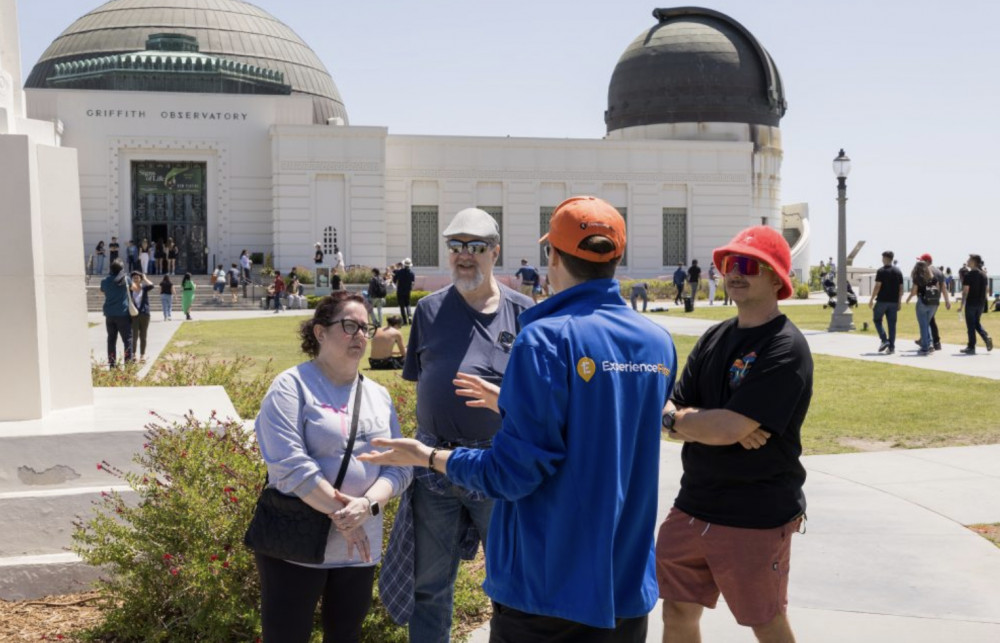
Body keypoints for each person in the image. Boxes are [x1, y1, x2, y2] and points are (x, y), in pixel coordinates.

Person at [362, 196, 676, 641]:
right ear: (617, 256)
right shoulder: (656, 343)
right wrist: (512, 401)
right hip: (623, 580)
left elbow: (513, 473)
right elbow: (597, 424)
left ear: (552, 256)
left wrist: (430, 457)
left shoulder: (544, 337)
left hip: (547, 587)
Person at [374, 207, 532, 642]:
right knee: (429, 585)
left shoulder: (524, 312)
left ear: (494, 252)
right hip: (434, 467)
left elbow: (541, 400)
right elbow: (419, 380)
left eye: (476, 246)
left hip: (498, 469)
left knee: (511, 584)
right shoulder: (427, 310)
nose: (465, 255)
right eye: (455, 246)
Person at [655, 225, 813, 643]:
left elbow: (728, 428)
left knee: (766, 622)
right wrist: (705, 423)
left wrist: (715, 424)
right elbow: (668, 407)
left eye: (748, 265)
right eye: (728, 264)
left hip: (756, 513)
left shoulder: (786, 347)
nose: (734, 273)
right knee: (676, 613)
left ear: (777, 277)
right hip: (693, 504)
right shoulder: (715, 336)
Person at [253, 291, 412, 643]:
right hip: (295, 547)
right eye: (349, 325)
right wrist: (345, 517)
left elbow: (399, 467)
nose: (359, 335)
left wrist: (367, 507)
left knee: (347, 636)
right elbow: (291, 467)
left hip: (359, 551)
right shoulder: (291, 387)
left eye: (365, 328)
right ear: (320, 332)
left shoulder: (377, 396)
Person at [905, 258, 949, 355]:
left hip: (922, 303)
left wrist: (908, 299)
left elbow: (914, 291)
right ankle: (929, 344)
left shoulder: (917, 278)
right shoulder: (934, 278)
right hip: (933, 304)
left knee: (923, 325)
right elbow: (937, 290)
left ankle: (925, 348)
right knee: (927, 324)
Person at [957, 254, 993, 354]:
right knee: (976, 323)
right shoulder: (984, 275)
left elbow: (965, 292)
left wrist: (961, 306)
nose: (967, 261)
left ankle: (971, 347)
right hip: (981, 304)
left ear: (974, 262)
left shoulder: (968, 275)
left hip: (971, 303)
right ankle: (986, 337)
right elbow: (987, 290)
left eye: (969, 260)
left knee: (970, 326)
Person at [869, 250, 904, 354]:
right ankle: (891, 347)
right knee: (892, 325)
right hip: (893, 302)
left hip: (882, 301)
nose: (882, 260)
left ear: (885, 258)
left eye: (882, 258)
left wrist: (871, 299)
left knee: (877, 320)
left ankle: (884, 340)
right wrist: (899, 302)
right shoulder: (898, 271)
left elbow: (877, 286)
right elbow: (901, 288)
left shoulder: (881, 271)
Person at [100, 258, 133, 368]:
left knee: (111, 340)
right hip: (123, 314)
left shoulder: (105, 281)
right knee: (127, 341)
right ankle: (128, 365)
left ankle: (112, 365)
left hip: (109, 314)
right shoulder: (126, 279)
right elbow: (133, 288)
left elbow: (102, 290)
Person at [129, 271, 154, 362]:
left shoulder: (144, 288)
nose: (136, 279)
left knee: (143, 336)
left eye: (137, 277)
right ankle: (134, 354)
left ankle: (142, 355)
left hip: (145, 314)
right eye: (134, 278)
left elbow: (152, 285)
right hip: (134, 315)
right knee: (134, 336)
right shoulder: (130, 289)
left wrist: (145, 278)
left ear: (140, 279)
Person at [393, 258, 416, 324]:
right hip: (407, 291)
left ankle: (404, 320)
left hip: (400, 290)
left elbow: (394, 280)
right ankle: (410, 316)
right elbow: (413, 283)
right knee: (408, 304)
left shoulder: (399, 272)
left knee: (402, 306)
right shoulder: (412, 273)